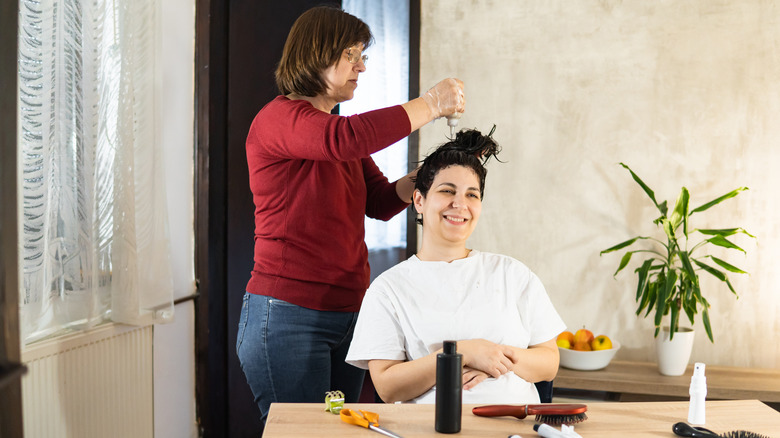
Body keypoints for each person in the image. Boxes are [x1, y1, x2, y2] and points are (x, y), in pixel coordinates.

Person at [236, 5, 465, 425]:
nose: (361, 66)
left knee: (337, 430)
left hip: (348, 316)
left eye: (363, 56)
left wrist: (435, 172)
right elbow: (346, 140)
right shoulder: (280, 120)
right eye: (352, 55)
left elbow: (379, 200)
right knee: (306, 433)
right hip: (288, 316)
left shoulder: (334, 133)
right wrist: (430, 104)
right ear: (317, 55)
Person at [345, 127, 565, 404]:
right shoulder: (388, 289)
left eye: (472, 195)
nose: (460, 204)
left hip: (515, 425)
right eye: (447, 190)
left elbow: (549, 361)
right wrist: (460, 355)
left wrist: (492, 358)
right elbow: (387, 386)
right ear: (420, 200)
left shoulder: (513, 274)